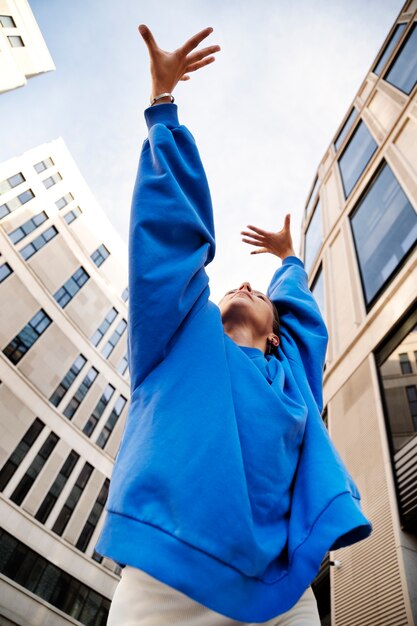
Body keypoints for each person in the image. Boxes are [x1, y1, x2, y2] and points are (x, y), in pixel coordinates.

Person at [96, 25, 372, 626]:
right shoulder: (176, 341)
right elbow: (166, 242)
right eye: (231, 286)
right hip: (166, 582)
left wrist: (289, 260)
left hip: (280, 593)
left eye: (255, 289)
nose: (241, 285)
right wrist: (163, 106)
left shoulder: (289, 376)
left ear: (278, 330)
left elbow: (307, 325)